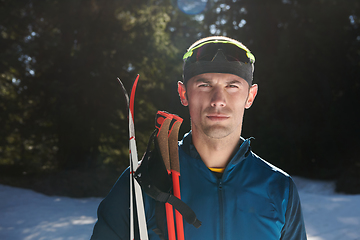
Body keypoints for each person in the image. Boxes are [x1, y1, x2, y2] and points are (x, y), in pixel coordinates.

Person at [91, 36, 307, 240]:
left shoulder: (279, 188)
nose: (218, 100)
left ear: (250, 96)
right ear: (183, 93)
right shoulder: (145, 179)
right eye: (204, 85)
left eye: (232, 86)